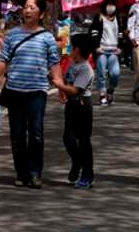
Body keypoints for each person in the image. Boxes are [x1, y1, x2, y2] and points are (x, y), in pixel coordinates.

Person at [0, 0, 63, 187]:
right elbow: (2, 60)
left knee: (36, 132)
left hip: (37, 91)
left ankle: (35, 172)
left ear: (41, 14)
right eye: (26, 7)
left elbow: (54, 63)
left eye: (32, 8)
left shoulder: (47, 38)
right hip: (15, 90)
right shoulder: (12, 35)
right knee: (17, 134)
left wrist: (60, 85)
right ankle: (21, 172)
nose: (27, 11)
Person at [56, 33, 95, 189]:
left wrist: (60, 86)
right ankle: (77, 161)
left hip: (83, 106)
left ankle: (87, 175)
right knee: (68, 138)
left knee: (84, 141)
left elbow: (75, 90)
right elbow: (67, 82)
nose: (69, 49)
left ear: (77, 49)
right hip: (71, 106)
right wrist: (61, 89)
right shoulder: (72, 63)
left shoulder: (86, 69)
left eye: (71, 46)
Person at [90, 0, 121, 106]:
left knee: (115, 73)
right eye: (109, 4)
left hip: (113, 51)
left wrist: (120, 47)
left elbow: (120, 34)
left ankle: (110, 90)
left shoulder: (117, 19)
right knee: (101, 73)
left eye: (113, 4)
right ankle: (102, 94)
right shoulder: (99, 17)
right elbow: (93, 32)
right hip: (101, 50)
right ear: (105, 5)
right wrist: (96, 47)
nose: (111, 7)